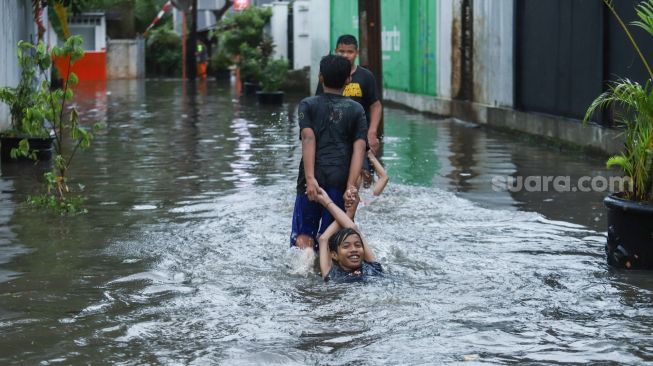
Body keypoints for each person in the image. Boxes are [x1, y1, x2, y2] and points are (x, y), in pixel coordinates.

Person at [290, 54, 368, 251]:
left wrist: (310, 179)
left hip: (311, 177)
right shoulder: (357, 109)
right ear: (348, 80)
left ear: (320, 77)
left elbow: (308, 139)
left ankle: (305, 276)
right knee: (333, 238)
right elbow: (359, 149)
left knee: (304, 234)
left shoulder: (307, 105)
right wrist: (351, 186)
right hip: (340, 179)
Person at [316, 34, 383, 155]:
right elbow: (320, 103)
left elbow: (376, 105)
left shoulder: (366, 76)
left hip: (360, 132)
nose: (345, 55)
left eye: (350, 52)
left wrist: (372, 132)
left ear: (357, 52)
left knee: (364, 170)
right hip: (334, 134)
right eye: (341, 51)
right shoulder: (329, 74)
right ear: (336, 51)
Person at [315, 187, 383, 282]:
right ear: (334, 255)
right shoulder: (331, 275)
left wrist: (350, 212)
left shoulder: (374, 267)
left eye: (358, 245)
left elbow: (354, 229)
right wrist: (326, 202)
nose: (354, 250)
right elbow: (323, 239)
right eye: (346, 246)